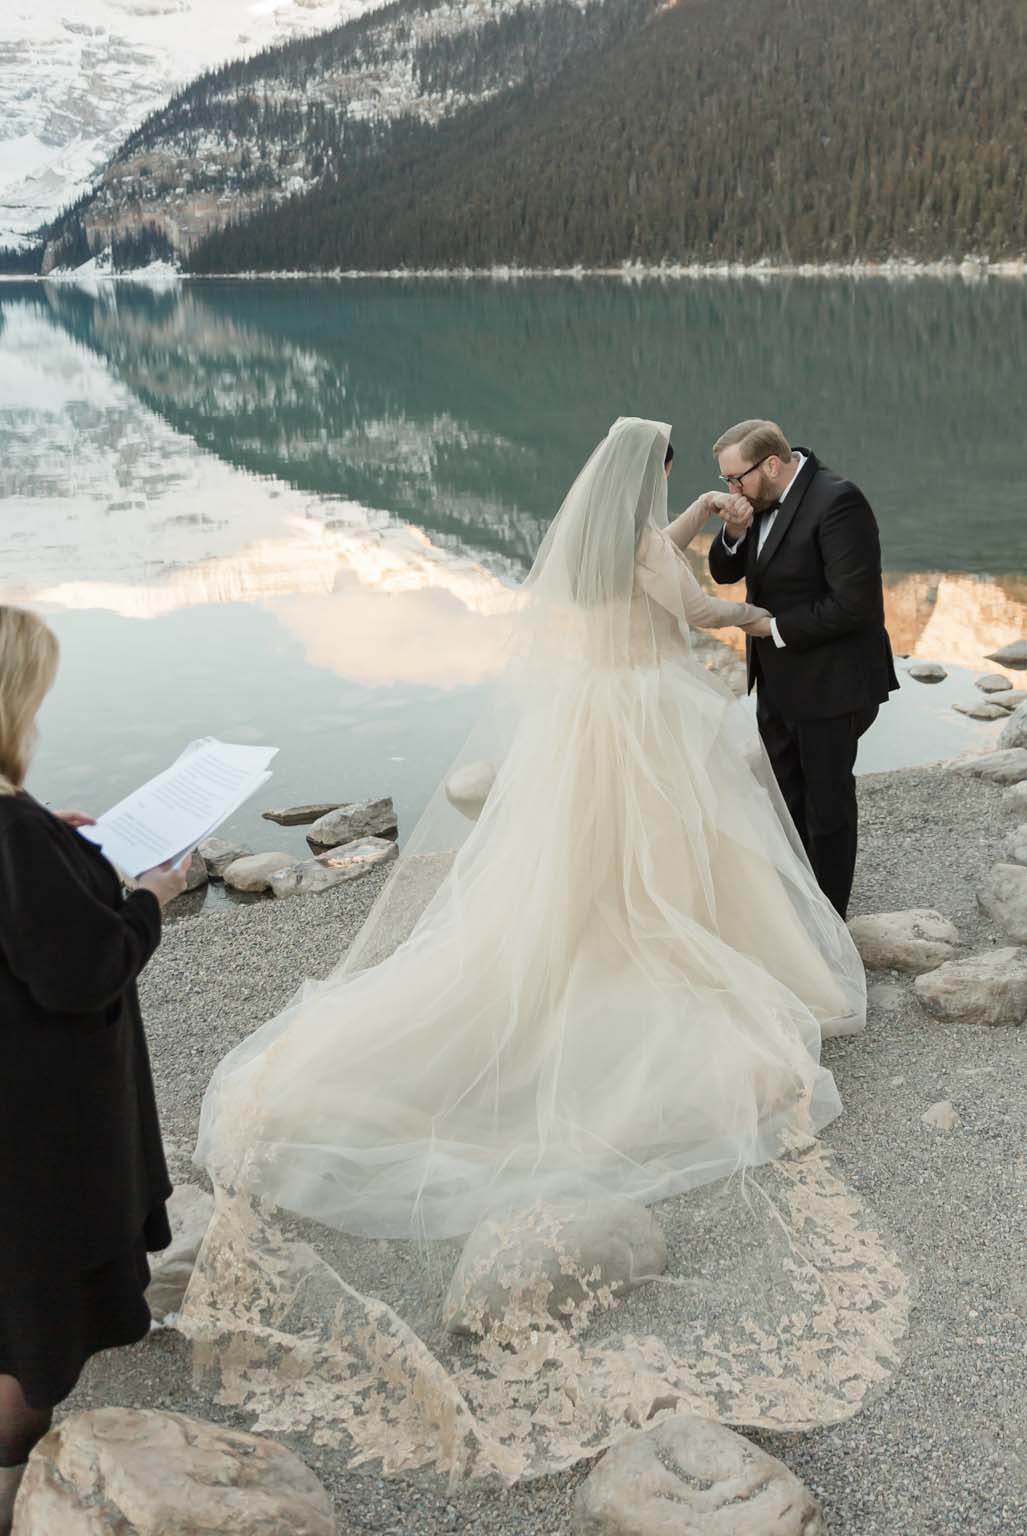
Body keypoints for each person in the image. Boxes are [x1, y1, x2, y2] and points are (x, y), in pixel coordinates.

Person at [186, 419, 903, 1485]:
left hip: (594, 724)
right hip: (650, 720)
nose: (686, 488)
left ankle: (603, 940)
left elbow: (645, 557)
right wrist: (747, 610)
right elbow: (694, 604)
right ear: (646, 477)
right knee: (676, 862)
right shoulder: (642, 550)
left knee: (596, 871)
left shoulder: (600, 544)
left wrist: (703, 523)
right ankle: (682, 951)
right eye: (678, 476)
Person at [0, 607, 189, 1533]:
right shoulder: (13, 836)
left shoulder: (19, 833)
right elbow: (81, 972)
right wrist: (150, 898)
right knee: (28, 1305)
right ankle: (12, 1472)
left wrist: (56, 841)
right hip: (35, 1118)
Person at [708, 420, 896, 918]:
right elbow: (725, 571)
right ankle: (799, 908)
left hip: (833, 683)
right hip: (776, 682)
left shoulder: (838, 502)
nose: (732, 489)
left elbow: (854, 605)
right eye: (727, 481)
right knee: (786, 799)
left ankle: (831, 920)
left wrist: (773, 629)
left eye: (736, 479)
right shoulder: (761, 503)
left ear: (771, 464)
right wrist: (733, 530)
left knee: (827, 807)